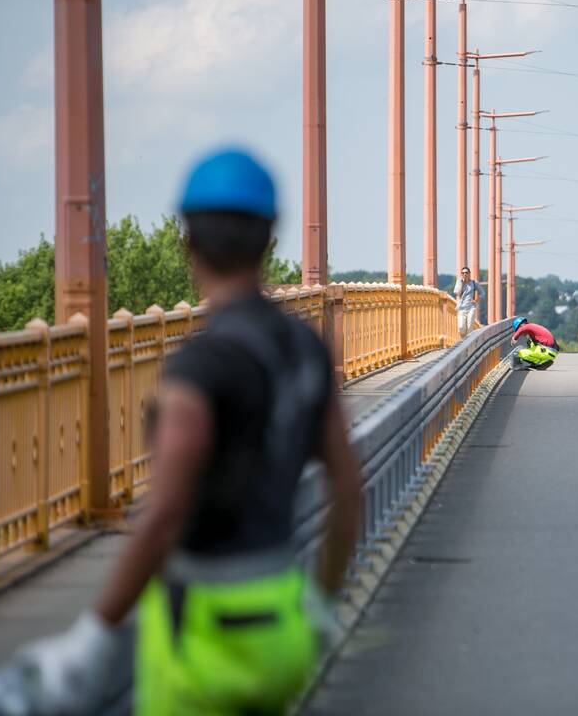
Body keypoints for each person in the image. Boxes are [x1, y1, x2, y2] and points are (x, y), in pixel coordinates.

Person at [19, 148, 362, 715]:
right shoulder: (304, 347)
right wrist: (323, 601)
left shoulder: (202, 364)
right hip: (282, 623)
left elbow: (167, 513)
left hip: (204, 632)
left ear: (190, 242)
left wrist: (94, 633)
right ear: (268, 237)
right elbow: (347, 486)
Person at [453, 266, 480, 337]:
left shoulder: (474, 283)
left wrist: (476, 300)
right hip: (461, 308)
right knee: (461, 328)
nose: (465, 274)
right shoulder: (459, 282)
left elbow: (482, 293)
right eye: (463, 273)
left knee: (470, 327)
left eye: (466, 273)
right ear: (461, 274)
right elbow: (457, 293)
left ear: (469, 274)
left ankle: (468, 343)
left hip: (471, 307)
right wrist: (462, 283)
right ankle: (464, 340)